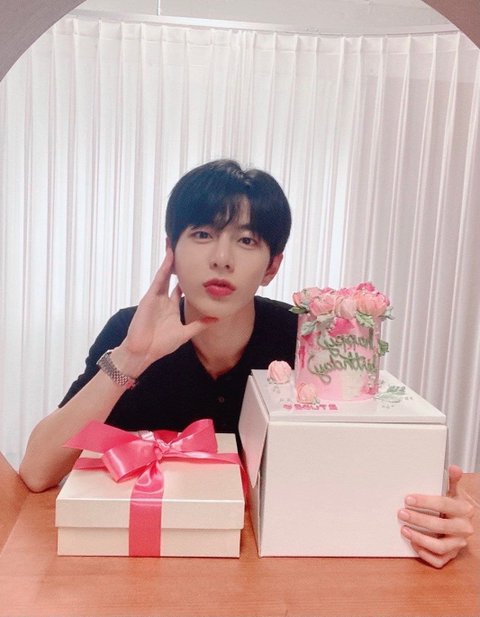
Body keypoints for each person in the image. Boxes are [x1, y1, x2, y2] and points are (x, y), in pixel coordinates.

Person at [19, 159, 474, 568]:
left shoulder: (305, 338)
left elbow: (350, 468)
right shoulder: (131, 330)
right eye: (202, 234)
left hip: (269, 565)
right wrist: (132, 358)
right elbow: (38, 472)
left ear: (272, 266)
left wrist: (435, 517)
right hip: (149, 560)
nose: (221, 258)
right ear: (171, 250)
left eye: (246, 240)